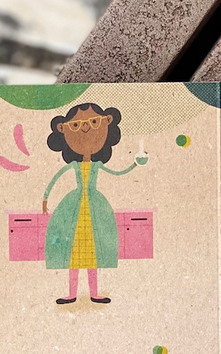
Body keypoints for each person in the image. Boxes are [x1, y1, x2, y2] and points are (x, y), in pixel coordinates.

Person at [41, 102, 147, 305]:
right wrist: (46, 198)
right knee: (73, 251)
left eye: (94, 123)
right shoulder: (74, 165)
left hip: (94, 209)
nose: (85, 129)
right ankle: (71, 294)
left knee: (93, 252)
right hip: (74, 208)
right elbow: (56, 178)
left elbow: (117, 172)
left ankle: (94, 293)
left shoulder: (98, 165)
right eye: (75, 126)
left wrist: (135, 163)